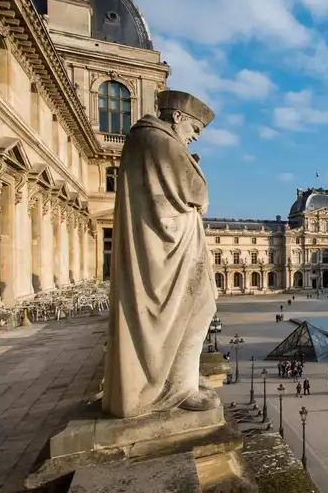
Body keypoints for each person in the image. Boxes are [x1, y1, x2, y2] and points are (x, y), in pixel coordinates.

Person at [101, 91, 221, 418]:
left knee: (196, 309)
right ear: (177, 116)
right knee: (197, 309)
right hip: (167, 249)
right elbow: (198, 192)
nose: (195, 136)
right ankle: (177, 387)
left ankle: (178, 382)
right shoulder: (159, 141)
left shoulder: (146, 139)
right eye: (195, 128)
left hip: (166, 245)